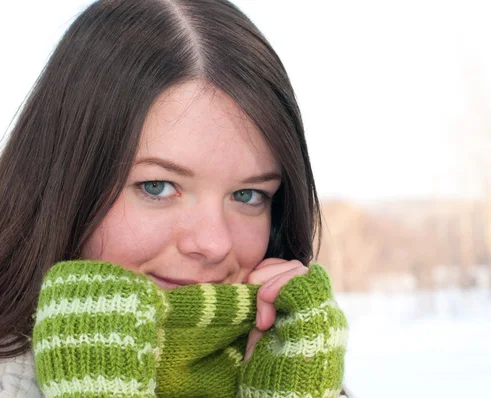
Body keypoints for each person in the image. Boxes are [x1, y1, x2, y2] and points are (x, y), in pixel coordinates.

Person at [0, 0, 348, 396]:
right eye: (158, 187)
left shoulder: (294, 371)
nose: (214, 244)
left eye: (248, 195)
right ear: (63, 181)